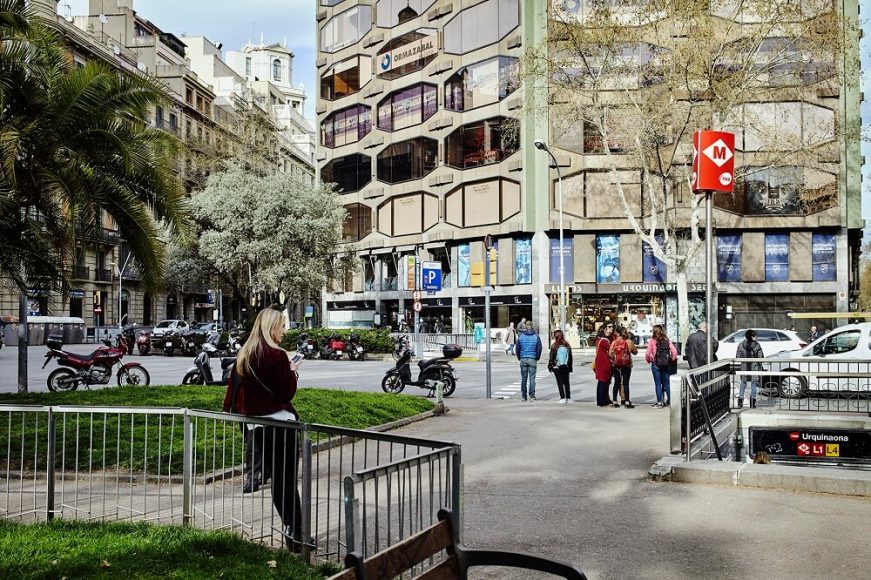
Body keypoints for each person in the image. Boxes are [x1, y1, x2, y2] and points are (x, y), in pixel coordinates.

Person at [222, 308, 304, 551]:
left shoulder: (245, 354)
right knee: (287, 480)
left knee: (277, 480)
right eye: (281, 326)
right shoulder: (277, 356)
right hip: (281, 423)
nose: (284, 331)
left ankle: (290, 527)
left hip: (258, 426)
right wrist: (293, 371)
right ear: (271, 328)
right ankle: (296, 533)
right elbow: (286, 392)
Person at [645, 324, 678, 408]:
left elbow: (648, 353)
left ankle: (660, 402)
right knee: (667, 383)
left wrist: (649, 360)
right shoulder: (666, 339)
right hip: (666, 364)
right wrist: (672, 359)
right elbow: (674, 351)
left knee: (657, 384)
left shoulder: (652, 340)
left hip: (655, 364)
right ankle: (670, 401)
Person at [609, 326, 637, 408]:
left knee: (616, 383)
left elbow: (610, 354)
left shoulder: (614, 342)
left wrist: (615, 357)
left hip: (616, 365)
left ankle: (614, 401)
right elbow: (635, 352)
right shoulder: (629, 342)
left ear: (617, 333)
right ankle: (627, 401)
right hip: (627, 365)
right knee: (626, 383)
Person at [736, 329, 763, 409]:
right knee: (754, 384)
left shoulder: (740, 345)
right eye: (755, 336)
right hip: (754, 368)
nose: (756, 338)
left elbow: (738, 357)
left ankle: (740, 401)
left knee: (743, 383)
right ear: (752, 336)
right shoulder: (757, 345)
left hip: (744, 367)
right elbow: (760, 357)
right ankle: (752, 403)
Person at [515, 322, 542, 401]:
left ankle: (524, 395)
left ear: (525, 327)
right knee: (532, 378)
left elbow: (517, 348)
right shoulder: (536, 337)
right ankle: (532, 395)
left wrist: (519, 357)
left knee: (524, 378)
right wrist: (537, 357)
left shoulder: (521, 337)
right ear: (532, 326)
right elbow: (539, 348)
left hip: (523, 358)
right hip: (532, 359)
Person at [548, 329, 573, 403]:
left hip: (557, 366)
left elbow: (551, 357)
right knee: (566, 382)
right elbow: (570, 357)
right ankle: (568, 397)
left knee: (560, 382)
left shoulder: (554, 345)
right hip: (566, 366)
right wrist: (570, 367)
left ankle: (562, 397)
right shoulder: (567, 345)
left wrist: (550, 366)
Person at [594, 323, 615, 407]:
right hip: (604, 363)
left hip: (600, 363)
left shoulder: (599, 340)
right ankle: (602, 400)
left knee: (602, 382)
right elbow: (611, 351)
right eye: (609, 327)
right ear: (604, 330)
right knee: (604, 382)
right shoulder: (604, 341)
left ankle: (601, 400)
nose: (611, 329)